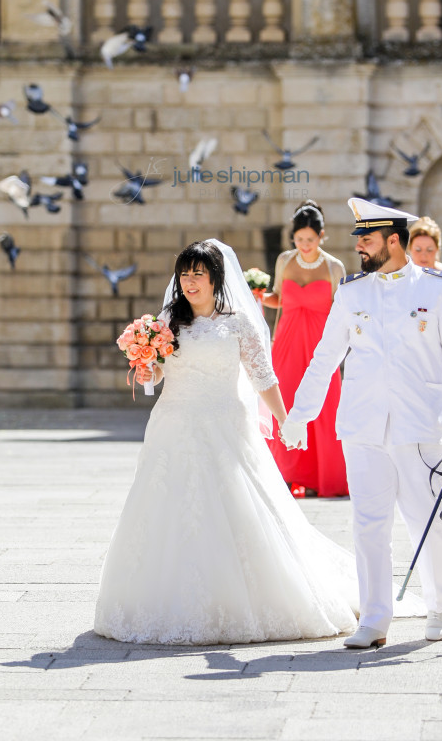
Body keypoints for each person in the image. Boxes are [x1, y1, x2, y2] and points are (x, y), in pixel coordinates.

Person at [94, 239, 365, 645]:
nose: (189, 282)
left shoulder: (237, 322)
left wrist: (287, 421)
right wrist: (146, 365)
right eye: (184, 274)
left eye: (198, 274)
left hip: (225, 426)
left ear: (216, 278)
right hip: (174, 425)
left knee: (238, 507)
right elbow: (155, 377)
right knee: (165, 508)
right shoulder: (168, 321)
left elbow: (263, 378)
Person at [281, 198, 442, 649]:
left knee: (428, 521)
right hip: (364, 427)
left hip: (419, 427)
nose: (359, 248)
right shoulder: (353, 292)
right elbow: (324, 358)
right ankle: (374, 618)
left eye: (366, 240)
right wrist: (300, 413)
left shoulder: (436, 288)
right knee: (368, 524)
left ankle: (439, 606)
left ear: (394, 240)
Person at [263, 200, 348, 497]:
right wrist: (259, 295)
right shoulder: (285, 261)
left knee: (324, 408)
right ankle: (286, 475)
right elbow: (278, 298)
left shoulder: (334, 266)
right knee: (283, 403)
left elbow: (342, 311)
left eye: (310, 240)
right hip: (286, 342)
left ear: (321, 236)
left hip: (320, 346)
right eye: (299, 239)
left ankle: (323, 476)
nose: (305, 245)